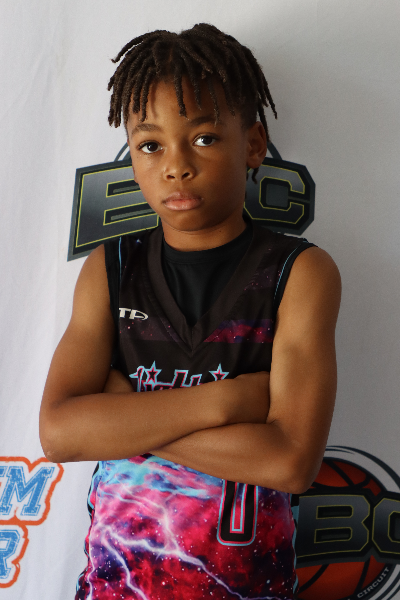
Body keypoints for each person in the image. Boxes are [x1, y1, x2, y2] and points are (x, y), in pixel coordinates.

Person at [39, 23, 341, 600]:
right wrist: (226, 403)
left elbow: (289, 461)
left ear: (253, 144)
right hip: (116, 588)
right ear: (132, 157)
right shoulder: (110, 268)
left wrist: (124, 413)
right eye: (151, 145)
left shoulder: (299, 273)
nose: (176, 165)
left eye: (203, 137)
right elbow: (60, 433)